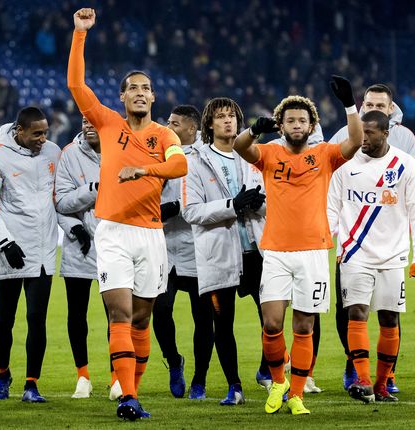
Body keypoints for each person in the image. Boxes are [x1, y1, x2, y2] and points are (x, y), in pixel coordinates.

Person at [67, 8, 187, 421]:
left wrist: (143, 170)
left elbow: (179, 165)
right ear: (121, 97)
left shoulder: (164, 134)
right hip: (113, 231)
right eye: (132, 88)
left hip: (151, 233)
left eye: (146, 88)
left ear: (153, 98)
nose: (139, 92)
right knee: (119, 313)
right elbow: (76, 84)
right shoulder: (106, 123)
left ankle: (130, 383)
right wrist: (80, 34)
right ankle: (129, 398)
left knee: (141, 318)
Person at [233, 75, 363, 415]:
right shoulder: (269, 153)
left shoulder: (325, 154)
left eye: (301, 121)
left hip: (314, 252)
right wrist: (254, 129)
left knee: (304, 326)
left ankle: (297, 394)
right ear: (281, 125)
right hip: (276, 251)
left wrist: (350, 104)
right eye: (290, 120)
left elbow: (356, 140)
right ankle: (278, 381)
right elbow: (240, 147)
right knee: (272, 323)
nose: (296, 125)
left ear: (311, 126)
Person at [327, 110, 415, 404]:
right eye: (361, 133)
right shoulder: (345, 165)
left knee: (389, 317)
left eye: (370, 133)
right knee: (356, 313)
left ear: (385, 133)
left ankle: (383, 384)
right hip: (354, 252)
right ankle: (363, 380)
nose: (363, 139)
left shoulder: (404, 164)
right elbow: (332, 209)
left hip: (393, 256)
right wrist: (324, 242)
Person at [182, 97, 269, 405]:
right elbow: (191, 211)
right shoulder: (196, 161)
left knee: (271, 320)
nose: (228, 121)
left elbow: (273, 201)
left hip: (257, 251)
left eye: (232, 115)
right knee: (223, 323)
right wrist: (233, 205)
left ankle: (268, 372)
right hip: (220, 254)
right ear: (209, 124)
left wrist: (260, 205)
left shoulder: (254, 156)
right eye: (220, 116)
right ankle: (235, 386)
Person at [0, 106, 61, 403]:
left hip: (42, 251)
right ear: (19, 131)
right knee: (3, 321)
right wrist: (5, 243)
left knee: (37, 318)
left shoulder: (53, 153)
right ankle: (3, 374)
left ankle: (32, 384)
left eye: (46, 133)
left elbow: (59, 197)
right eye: (37, 133)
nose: (43, 139)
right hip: (8, 250)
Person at [55, 117, 119, 400]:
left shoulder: (122, 150)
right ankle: (82, 376)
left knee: (116, 315)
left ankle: (117, 377)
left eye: (94, 121)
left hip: (114, 246)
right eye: (84, 121)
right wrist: (93, 191)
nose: (89, 126)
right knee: (76, 314)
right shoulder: (69, 154)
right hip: (79, 246)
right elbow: (61, 202)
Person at [153, 104, 214, 399]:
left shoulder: (206, 156)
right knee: (160, 309)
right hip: (164, 246)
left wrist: (178, 207)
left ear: (192, 129)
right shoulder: (158, 151)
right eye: (168, 122)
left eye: (175, 124)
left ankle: (199, 380)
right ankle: (174, 360)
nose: (168, 127)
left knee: (203, 317)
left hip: (197, 246)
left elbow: (212, 196)